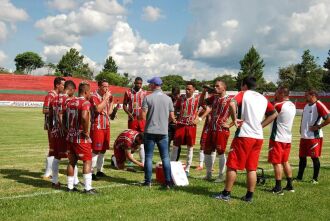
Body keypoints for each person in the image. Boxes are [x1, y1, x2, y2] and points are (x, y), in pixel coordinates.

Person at [216, 76, 277, 202]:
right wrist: (260, 125)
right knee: (252, 167)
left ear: (244, 85)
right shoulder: (263, 98)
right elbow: (274, 114)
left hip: (244, 135)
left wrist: (234, 120)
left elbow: (232, 103)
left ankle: (226, 193)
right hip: (258, 137)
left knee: (232, 165)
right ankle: (249, 196)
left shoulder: (243, 94)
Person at [195, 80, 233, 182]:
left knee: (220, 152)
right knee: (207, 151)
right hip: (211, 128)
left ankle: (221, 175)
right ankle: (208, 174)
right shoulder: (214, 98)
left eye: (217, 86)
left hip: (221, 130)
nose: (215, 88)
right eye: (214, 86)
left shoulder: (230, 99)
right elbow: (201, 102)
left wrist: (230, 125)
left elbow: (238, 115)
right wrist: (204, 91)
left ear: (224, 88)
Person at [141, 77, 176, 188]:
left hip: (150, 131)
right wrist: (164, 122)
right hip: (163, 131)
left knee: (148, 157)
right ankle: (168, 182)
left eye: (150, 83)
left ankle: (148, 182)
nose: (149, 85)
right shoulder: (168, 99)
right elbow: (172, 117)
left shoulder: (148, 98)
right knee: (165, 157)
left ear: (153, 85)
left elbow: (143, 116)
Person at [66, 82, 96, 194]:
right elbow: (84, 117)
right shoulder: (85, 102)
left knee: (72, 162)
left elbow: (63, 116)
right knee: (87, 161)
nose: (90, 94)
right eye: (90, 92)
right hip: (80, 137)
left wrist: (67, 129)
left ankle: (69, 187)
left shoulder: (70, 101)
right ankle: (88, 188)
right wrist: (85, 131)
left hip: (70, 136)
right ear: (86, 92)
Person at [50, 80, 80, 188]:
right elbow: (60, 114)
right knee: (73, 157)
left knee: (57, 156)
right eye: (74, 91)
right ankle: (73, 182)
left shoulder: (54, 99)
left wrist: (52, 129)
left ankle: (54, 181)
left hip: (55, 132)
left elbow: (49, 116)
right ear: (71, 89)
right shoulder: (68, 100)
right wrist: (65, 128)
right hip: (65, 132)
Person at [296, 89, 330, 184]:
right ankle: (299, 177)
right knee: (302, 157)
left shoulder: (319, 104)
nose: (304, 97)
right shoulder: (306, 105)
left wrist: (318, 126)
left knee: (314, 157)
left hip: (314, 137)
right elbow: (304, 119)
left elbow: (328, 119)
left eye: (306, 95)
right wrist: (301, 128)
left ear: (312, 95)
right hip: (304, 136)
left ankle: (315, 179)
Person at [268, 86, 296, 194]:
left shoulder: (278, 105)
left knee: (276, 162)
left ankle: (278, 187)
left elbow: (268, 111)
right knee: (285, 161)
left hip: (277, 137)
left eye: (277, 93)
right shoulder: (292, 105)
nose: (275, 94)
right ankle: (289, 185)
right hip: (287, 138)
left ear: (282, 94)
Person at [171, 82, 200, 176]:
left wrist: (198, 118)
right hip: (180, 125)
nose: (187, 91)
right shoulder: (181, 98)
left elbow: (207, 108)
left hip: (191, 126)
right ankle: (172, 166)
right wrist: (174, 117)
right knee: (175, 146)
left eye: (189, 89)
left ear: (194, 90)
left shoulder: (197, 99)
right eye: (186, 89)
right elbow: (175, 108)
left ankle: (187, 169)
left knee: (190, 147)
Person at [90, 79, 113, 180]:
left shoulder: (107, 96)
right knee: (96, 149)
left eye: (107, 86)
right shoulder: (94, 96)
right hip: (97, 126)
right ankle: (91, 172)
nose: (106, 88)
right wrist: (107, 98)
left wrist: (111, 102)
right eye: (104, 86)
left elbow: (109, 112)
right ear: (99, 87)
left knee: (103, 150)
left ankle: (100, 170)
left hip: (106, 125)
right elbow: (98, 109)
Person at [42, 77, 65, 179]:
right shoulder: (50, 95)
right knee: (52, 148)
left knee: (56, 148)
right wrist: (55, 111)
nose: (64, 87)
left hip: (57, 126)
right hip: (51, 125)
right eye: (62, 85)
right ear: (57, 85)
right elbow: (45, 110)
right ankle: (47, 172)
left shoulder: (58, 96)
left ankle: (52, 170)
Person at [123, 77, 147, 167]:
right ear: (134, 83)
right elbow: (124, 104)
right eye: (137, 83)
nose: (139, 85)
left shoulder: (144, 93)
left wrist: (145, 115)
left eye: (140, 83)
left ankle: (143, 163)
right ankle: (130, 162)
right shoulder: (128, 92)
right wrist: (129, 113)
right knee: (131, 140)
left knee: (142, 141)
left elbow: (147, 105)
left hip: (141, 120)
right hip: (132, 120)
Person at [167, 86, 180, 154]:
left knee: (177, 144)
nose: (175, 96)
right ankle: (166, 159)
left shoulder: (182, 100)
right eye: (174, 94)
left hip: (177, 125)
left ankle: (175, 161)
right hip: (169, 124)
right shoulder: (168, 99)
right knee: (167, 143)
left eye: (177, 94)